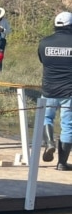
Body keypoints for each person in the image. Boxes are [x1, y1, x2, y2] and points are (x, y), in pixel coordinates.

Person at [38, 12, 72, 171]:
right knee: (68, 126)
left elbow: (42, 61)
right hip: (69, 92)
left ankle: (49, 142)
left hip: (48, 89)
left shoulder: (44, 42)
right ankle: (61, 163)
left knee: (46, 118)